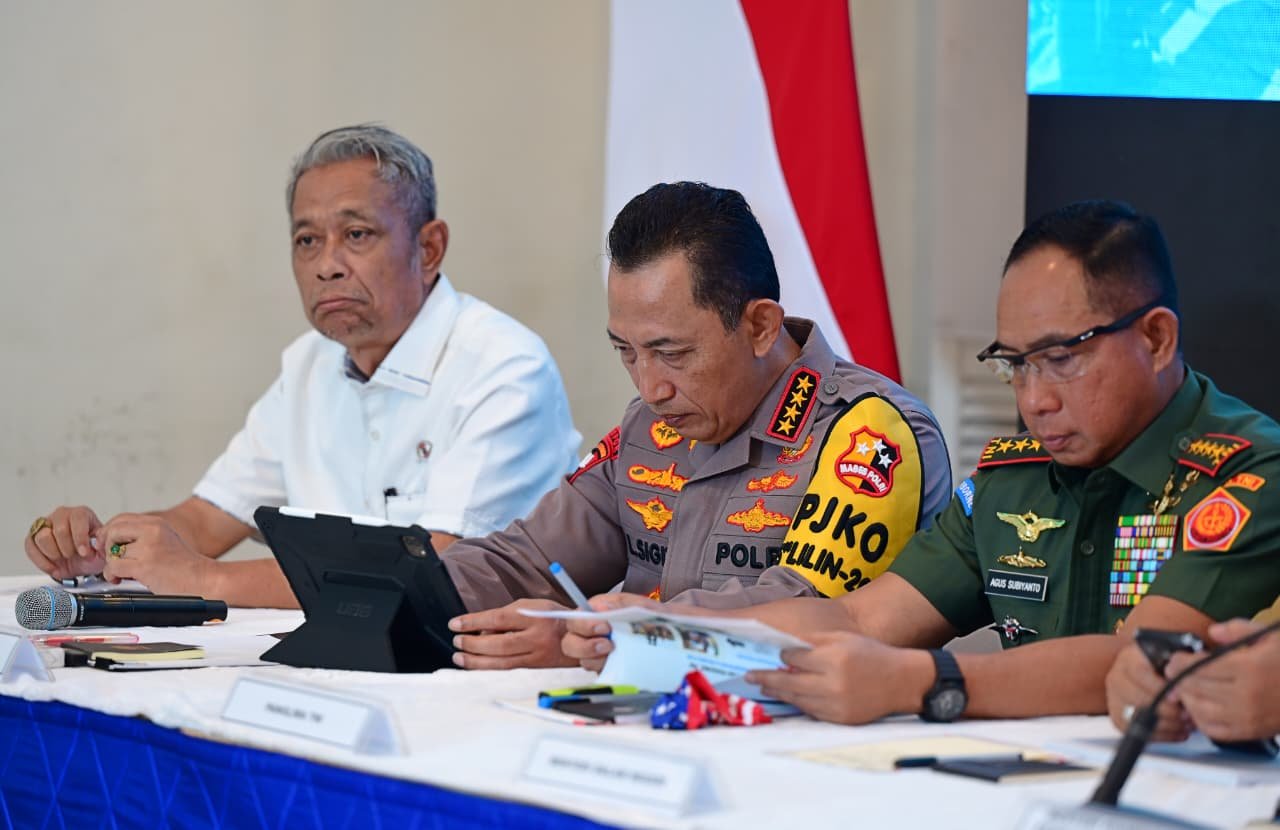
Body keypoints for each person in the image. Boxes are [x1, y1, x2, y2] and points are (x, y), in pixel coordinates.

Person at [564, 199, 1280, 725]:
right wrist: (673, 631)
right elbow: (863, 619)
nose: (1034, 401)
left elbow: (1139, 660)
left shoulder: (1249, 475)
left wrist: (923, 682)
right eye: (1015, 365)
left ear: (1155, 339)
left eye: (1061, 359)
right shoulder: (1011, 481)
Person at [23, 124, 580, 607]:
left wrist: (206, 579)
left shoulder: (503, 366)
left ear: (429, 248)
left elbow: (438, 571)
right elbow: (205, 521)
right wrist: (100, 547)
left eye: (356, 235)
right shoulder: (309, 364)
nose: (326, 265)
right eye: (307, 240)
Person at [443, 182, 952, 668]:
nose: (650, 388)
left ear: (760, 326)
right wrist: (412, 583)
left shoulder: (870, 437)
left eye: (672, 353)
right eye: (626, 352)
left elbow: (813, 616)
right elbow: (527, 561)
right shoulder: (650, 424)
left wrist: (606, 638)